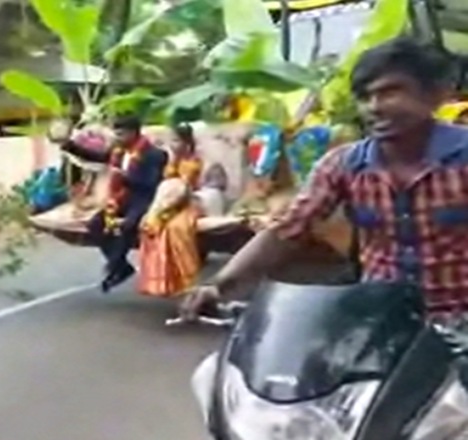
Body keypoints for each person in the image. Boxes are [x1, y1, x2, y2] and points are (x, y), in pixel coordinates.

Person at [181, 36, 468, 326]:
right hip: (381, 321)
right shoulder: (344, 164)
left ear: (435, 94)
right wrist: (218, 286)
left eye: (390, 92)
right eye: (365, 97)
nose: (374, 106)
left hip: (460, 323)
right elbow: (285, 231)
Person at [57, 115, 168, 293]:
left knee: (127, 225)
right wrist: (69, 145)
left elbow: (151, 184)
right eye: (116, 133)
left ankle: (115, 265)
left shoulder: (155, 154)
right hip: (121, 199)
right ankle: (121, 266)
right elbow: (96, 157)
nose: (117, 138)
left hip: (145, 199)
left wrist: (125, 177)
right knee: (95, 225)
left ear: (134, 133)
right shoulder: (118, 151)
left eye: (121, 134)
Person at [138, 124, 204, 301]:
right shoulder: (173, 161)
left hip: (186, 203)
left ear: (186, 143)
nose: (172, 145)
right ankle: (164, 283)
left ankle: (189, 282)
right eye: (171, 141)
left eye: (176, 141)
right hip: (166, 203)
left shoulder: (193, 161)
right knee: (152, 226)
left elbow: (183, 189)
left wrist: (165, 209)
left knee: (177, 229)